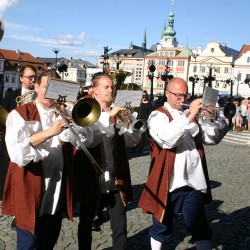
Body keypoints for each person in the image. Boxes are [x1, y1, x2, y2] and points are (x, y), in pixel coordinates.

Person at [1, 69, 104, 249]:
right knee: (29, 244)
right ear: (36, 87)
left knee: (49, 242)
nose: (50, 92)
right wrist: (50, 132)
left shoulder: (63, 113)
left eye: (54, 88)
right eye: (45, 86)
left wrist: (72, 119)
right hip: (30, 190)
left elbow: (87, 140)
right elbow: (17, 153)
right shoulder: (19, 114)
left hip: (56, 193)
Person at [138, 77, 228, 250]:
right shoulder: (158, 115)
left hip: (193, 181)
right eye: (178, 95)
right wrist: (191, 115)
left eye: (184, 95)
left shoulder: (190, 115)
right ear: (167, 94)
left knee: (200, 227)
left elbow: (212, 139)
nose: (182, 99)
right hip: (169, 182)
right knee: (162, 226)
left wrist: (211, 119)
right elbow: (167, 140)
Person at [77, 72, 141, 250]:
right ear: (94, 90)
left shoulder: (118, 112)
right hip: (93, 177)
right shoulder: (86, 110)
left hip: (115, 177)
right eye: (106, 87)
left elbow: (131, 142)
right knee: (86, 223)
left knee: (120, 226)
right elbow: (88, 139)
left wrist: (132, 126)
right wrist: (110, 116)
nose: (111, 90)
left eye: (112, 87)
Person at [0, 64, 37, 231]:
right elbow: (3, 117)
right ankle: (16, 213)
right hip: (13, 144)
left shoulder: (38, 96)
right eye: (29, 77)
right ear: (21, 78)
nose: (32, 80)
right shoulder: (10, 96)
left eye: (34, 77)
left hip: (33, 142)